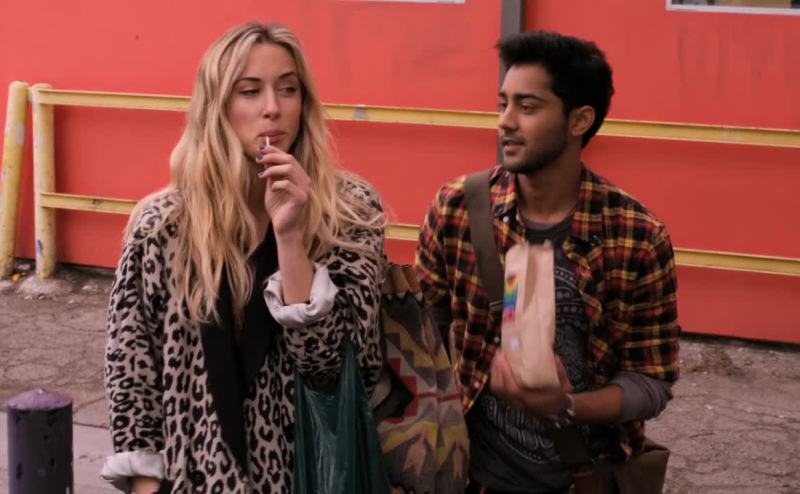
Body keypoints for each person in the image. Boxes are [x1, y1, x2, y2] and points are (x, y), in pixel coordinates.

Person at [101, 21, 386, 493]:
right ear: (217, 106)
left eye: (288, 89)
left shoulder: (349, 213)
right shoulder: (162, 226)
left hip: (308, 477)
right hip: (194, 479)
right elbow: (132, 373)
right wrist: (146, 486)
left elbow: (335, 370)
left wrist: (291, 238)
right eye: (250, 91)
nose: (273, 107)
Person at [415, 31, 680, 493]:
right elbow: (421, 340)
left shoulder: (636, 235)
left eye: (528, 106)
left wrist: (565, 406)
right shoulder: (457, 208)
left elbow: (651, 383)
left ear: (580, 120)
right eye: (503, 104)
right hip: (472, 477)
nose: (505, 122)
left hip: (584, 478)